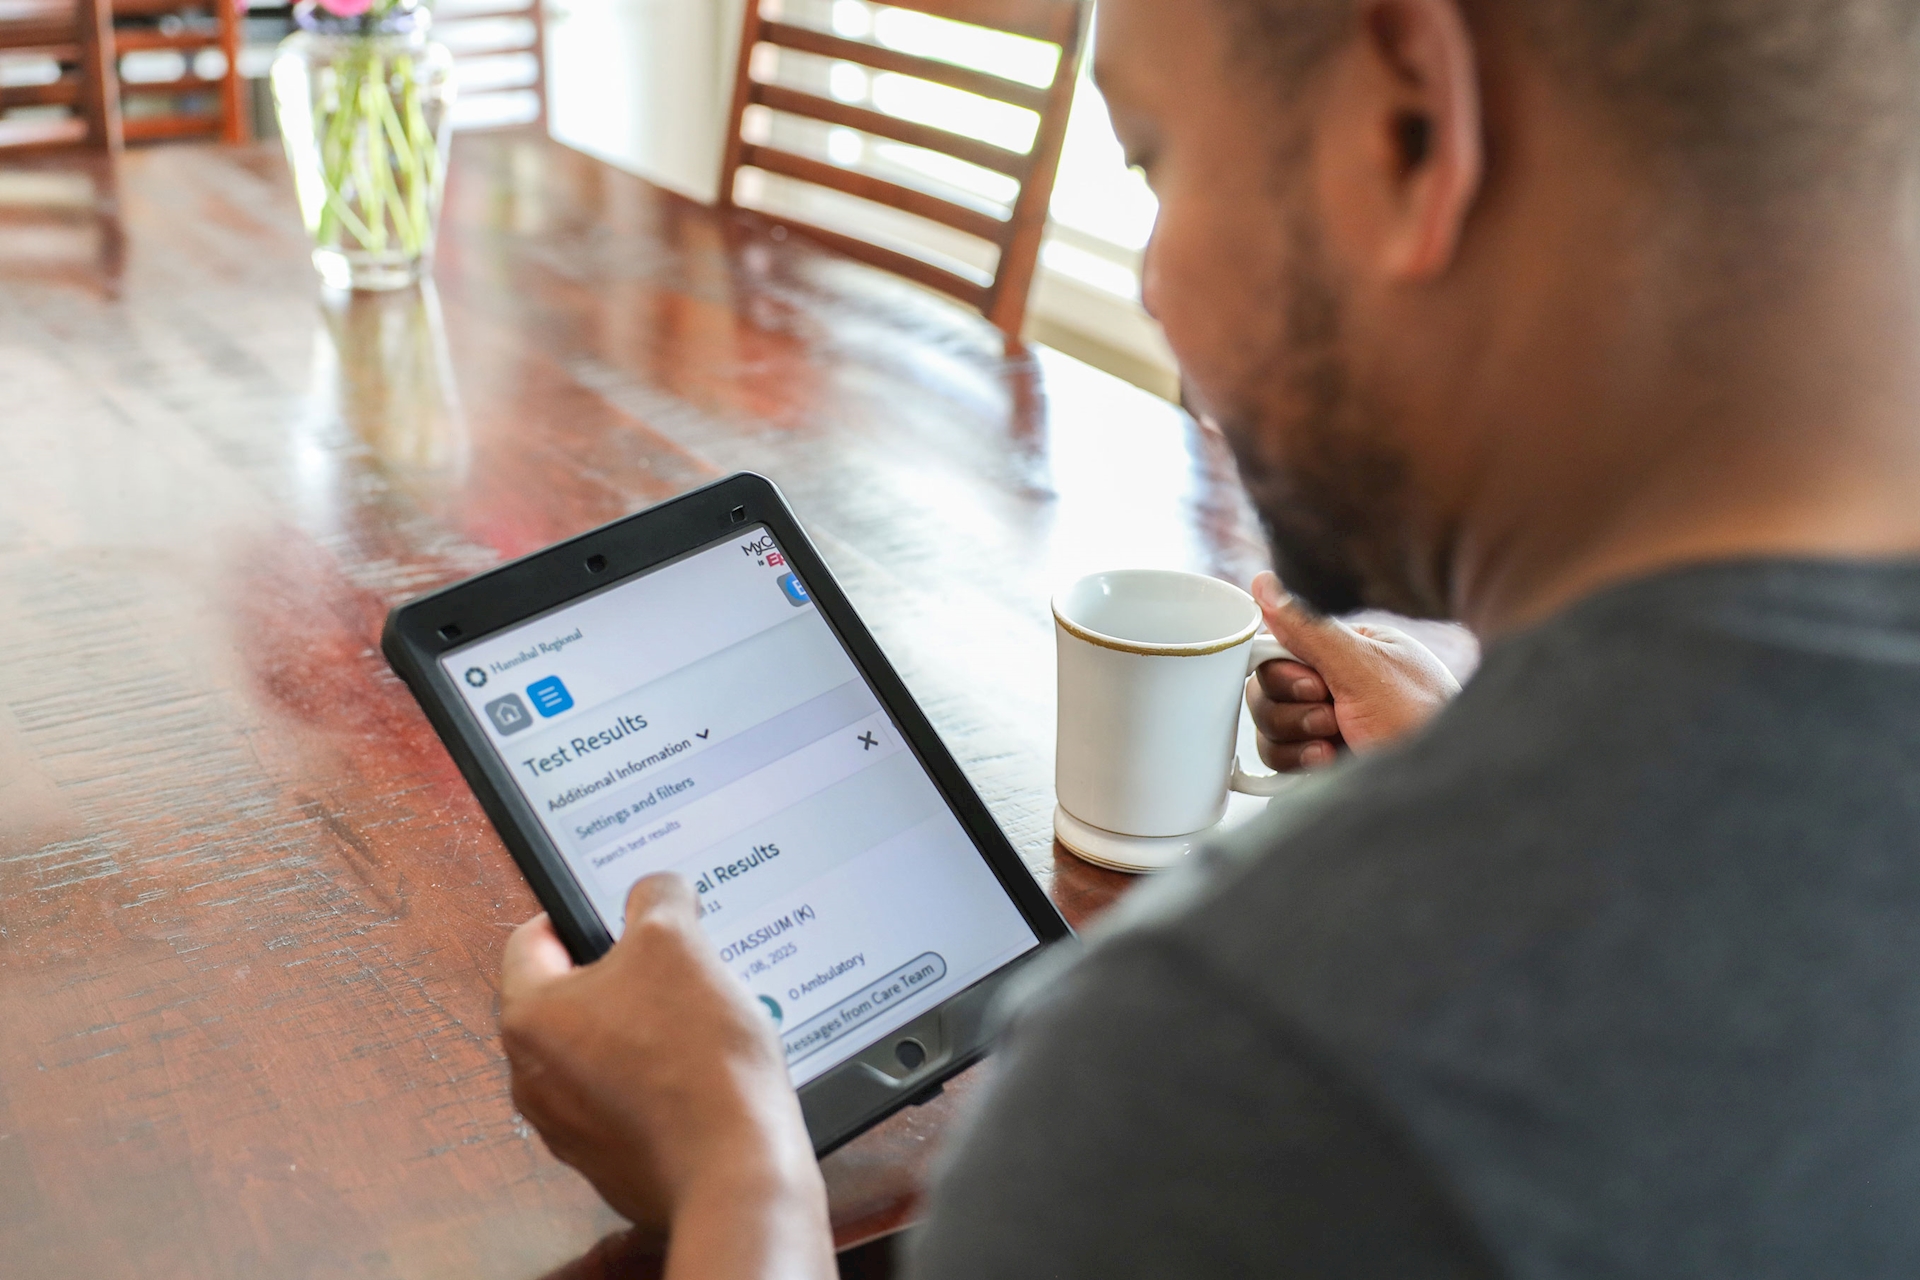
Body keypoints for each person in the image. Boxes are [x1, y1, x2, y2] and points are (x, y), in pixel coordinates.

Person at [495, 0, 1920, 1273]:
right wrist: (1498, 769)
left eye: (1155, 159)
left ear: (1409, 123)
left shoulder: (1230, 1080)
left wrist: (739, 1181)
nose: (1156, 280)